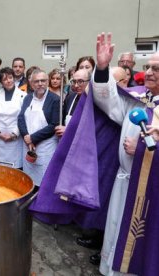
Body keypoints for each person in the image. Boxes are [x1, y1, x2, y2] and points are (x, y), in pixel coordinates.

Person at [93, 32, 159, 276]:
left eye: (156, 68)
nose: (149, 72)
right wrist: (101, 68)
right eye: (147, 67)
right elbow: (108, 102)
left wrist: (142, 150)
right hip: (125, 181)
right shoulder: (138, 100)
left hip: (150, 193)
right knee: (116, 230)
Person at [18, 69, 60, 187]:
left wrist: (33, 138)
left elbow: (54, 125)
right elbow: (21, 118)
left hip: (45, 147)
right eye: (36, 81)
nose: (40, 84)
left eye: (43, 81)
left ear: (47, 82)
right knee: (28, 179)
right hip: (28, 145)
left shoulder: (55, 99)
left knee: (45, 179)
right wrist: (26, 136)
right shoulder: (27, 98)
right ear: (31, 84)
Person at [0, 67, 27, 169]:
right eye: (5, 79)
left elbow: (23, 117)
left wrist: (14, 134)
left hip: (15, 136)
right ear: (1, 82)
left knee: (15, 167)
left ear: (14, 78)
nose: (8, 81)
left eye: (10, 77)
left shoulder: (23, 95)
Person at [55, 69, 91, 138]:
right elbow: (63, 120)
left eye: (80, 81)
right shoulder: (70, 97)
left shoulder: (94, 101)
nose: (76, 85)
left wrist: (69, 130)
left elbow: (91, 126)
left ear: (89, 82)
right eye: (74, 82)